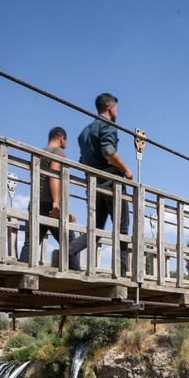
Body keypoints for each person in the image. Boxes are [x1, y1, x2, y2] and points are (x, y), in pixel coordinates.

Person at [69, 93, 135, 276]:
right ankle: (121, 273)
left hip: (93, 184)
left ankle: (68, 251)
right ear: (111, 107)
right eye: (116, 108)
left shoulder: (84, 132)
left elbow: (83, 160)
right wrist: (126, 169)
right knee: (121, 228)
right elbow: (108, 151)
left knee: (96, 228)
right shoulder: (108, 125)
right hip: (111, 182)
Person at [18, 127, 80, 270]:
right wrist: (57, 203)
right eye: (66, 140)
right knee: (69, 241)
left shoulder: (39, 154)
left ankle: (20, 271)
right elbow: (53, 175)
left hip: (36, 203)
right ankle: (76, 274)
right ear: (62, 138)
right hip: (50, 205)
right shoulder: (58, 152)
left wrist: (64, 209)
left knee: (31, 242)